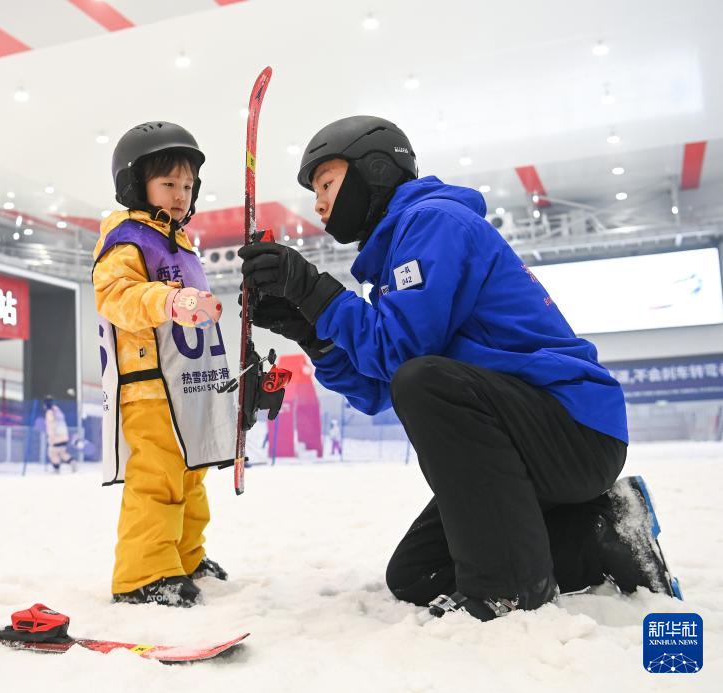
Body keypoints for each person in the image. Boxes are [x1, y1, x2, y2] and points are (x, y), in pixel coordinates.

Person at [239, 115, 681, 621]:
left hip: (572, 426)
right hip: (528, 443)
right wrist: (313, 333)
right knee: (416, 576)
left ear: (375, 170)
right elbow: (378, 391)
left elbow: (406, 364)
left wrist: (316, 292)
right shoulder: (394, 259)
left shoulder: (435, 224)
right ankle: (602, 532)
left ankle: (508, 590)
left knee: (424, 380)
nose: (318, 204)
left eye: (326, 183)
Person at [94, 121, 236, 607]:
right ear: (136, 184)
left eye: (188, 186)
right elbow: (114, 295)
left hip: (186, 385)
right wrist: (168, 302)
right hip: (149, 386)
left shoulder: (181, 241)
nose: (180, 195)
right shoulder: (129, 239)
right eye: (169, 184)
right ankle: (143, 574)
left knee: (191, 475)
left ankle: (184, 556)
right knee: (157, 478)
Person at [43, 396, 75, 473]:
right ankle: (72, 462)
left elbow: (51, 426)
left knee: (52, 453)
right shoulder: (57, 410)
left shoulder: (49, 413)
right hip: (64, 436)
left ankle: (56, 468)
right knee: (62, 452)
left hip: (56, 437)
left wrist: (50, 437)